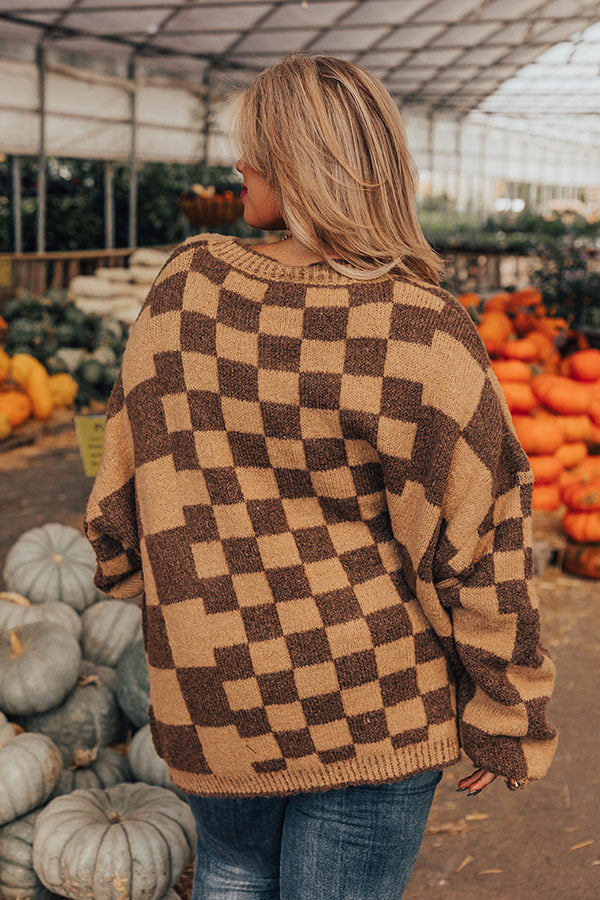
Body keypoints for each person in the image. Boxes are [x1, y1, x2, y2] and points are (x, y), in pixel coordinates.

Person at [84, 53, 557, 899]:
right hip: (372, 701)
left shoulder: (185, 289)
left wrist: (147, 592)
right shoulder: (419, 331)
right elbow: (483, 535)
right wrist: (507, 707)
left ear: (302, 164)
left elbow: (121, 482)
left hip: (213, 698)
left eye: (257, 149)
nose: (240, 164)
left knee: (230, 872)